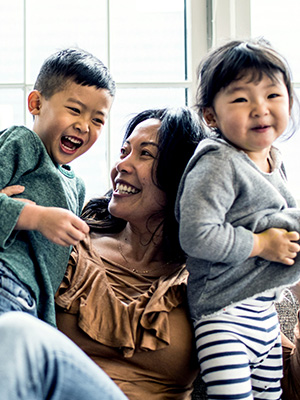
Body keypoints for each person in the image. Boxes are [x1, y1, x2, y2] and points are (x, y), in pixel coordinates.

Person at [0, 106, 204, 400]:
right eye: (124, 151)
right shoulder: (69, 235)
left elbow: (283, 380)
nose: (121, 165)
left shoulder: (204, 275)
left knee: (18, 333)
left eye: (145, 154)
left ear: (182, 175)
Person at [175, 38, 300, 399]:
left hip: (264, 316)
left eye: (273, 96)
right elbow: (198, 234)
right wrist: (262, 244)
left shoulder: (272, 161)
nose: (260, 109)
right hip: (224, 315)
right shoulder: (217, 161)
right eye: (242, 99)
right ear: (211, 115)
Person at [0, 47, 115, 327]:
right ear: (36, 104)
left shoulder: (77, 186)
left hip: (32, 303)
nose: (84, 126)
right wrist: (35, 218)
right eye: (75, 110)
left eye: (97, 119)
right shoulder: (22, 142)